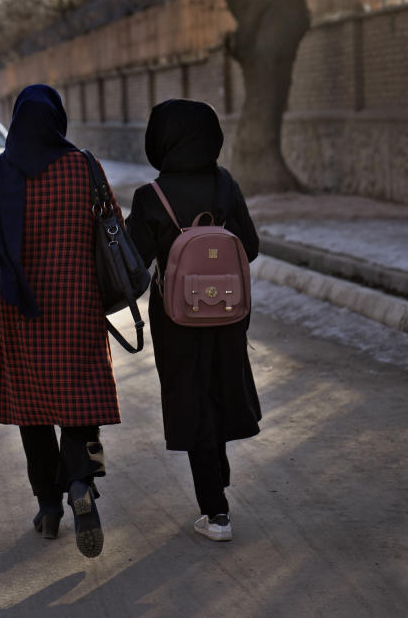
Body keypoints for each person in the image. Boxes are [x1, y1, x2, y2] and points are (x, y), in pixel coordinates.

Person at [0, 84, 121, 558]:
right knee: (80, 405)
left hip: (22, 314)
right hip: (77, 306)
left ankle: (49, 507)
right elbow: (113, 227)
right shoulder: (84, 167)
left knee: (33, 415)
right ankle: (81, 482)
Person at [125, 99, 261, 542]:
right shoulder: (225, 186)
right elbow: (251, 247)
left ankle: (216, 511)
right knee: (220, 393)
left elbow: (133, 263)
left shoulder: (151, 197)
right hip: (227, 313)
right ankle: (217, 482)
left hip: (176, 319)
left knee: (193, 401)